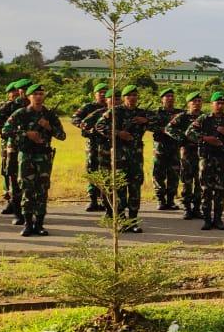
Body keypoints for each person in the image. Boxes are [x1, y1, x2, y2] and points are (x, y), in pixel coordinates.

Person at [1, 83, 66, 237]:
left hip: (43, 156)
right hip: (26, 155)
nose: (38, 97)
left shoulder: (49, 115)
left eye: (41, 94)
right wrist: (26, 134)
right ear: (29, 96)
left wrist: (49, 127)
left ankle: (40, 224)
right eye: (35, 94)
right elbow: (5, 131)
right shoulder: (21, 113)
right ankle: (28, 224)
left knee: (42, 190)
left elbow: (62, 136)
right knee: (27, 189)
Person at [93, 85, 150, 231]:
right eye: (129, 95)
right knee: (119, 188)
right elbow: (99, 126)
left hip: (136, 156)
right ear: (124, 98)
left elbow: (160, 124)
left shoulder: (142, 112)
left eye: (135, 95)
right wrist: (118, 133)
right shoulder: (115, 111)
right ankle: (121, 220)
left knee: (135, 188)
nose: (132, 98)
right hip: (119, 156)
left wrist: (145, 121)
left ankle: (133, 221)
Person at [186, 91, 224, 231]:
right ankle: (207, 220)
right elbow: (189, 132)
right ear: (212, 104)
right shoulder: (204, 118)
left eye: (223, 103)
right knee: (206, 190)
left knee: (220, 191)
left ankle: (218, 220)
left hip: (222, 159)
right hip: (206, 159)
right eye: (218, 103)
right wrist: (205, 138)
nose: (220, 106)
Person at [0, 80, 27, 217]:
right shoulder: (6, 105)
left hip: (26, 144)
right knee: (8, 171)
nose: (16, 95)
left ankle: (23, 203)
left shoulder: (32, 105)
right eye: (13, 93)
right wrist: (8, 127)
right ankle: (10, 200)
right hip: (9, 143)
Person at [165, 92, 204, 220]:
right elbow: (168, 129)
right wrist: (183, 138)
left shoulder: (205, 117)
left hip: (202, 153)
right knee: (187, 181)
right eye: (194, 101)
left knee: (200, 181)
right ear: (188, 103)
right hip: (187, 153)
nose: (197, 103)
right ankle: (187, 208)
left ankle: (197, 208)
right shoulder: (182, 117)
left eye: (199, 101)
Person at [72, 82, 110, 212]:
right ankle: (93, 199)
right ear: (95, 94)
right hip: (93, 143)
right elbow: (75, 118)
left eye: (105, 92)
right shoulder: (89, 107)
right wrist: (85, 127)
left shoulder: (113, 107)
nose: (103, 95)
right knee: (92, 169)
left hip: (107, 143)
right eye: (100, 92)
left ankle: (106, 200)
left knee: (107, 171)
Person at [148, 88, 182, 211]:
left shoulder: (180, 113)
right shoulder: (156, 113)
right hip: (160, 147)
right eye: (167, 96)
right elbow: (149, 125)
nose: (170, 98)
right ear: (162, 99)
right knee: (158, 174)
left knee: (174, 174)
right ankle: (160, 200)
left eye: (172, 96)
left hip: (174, 147)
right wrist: (163, 129)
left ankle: (171, 200)